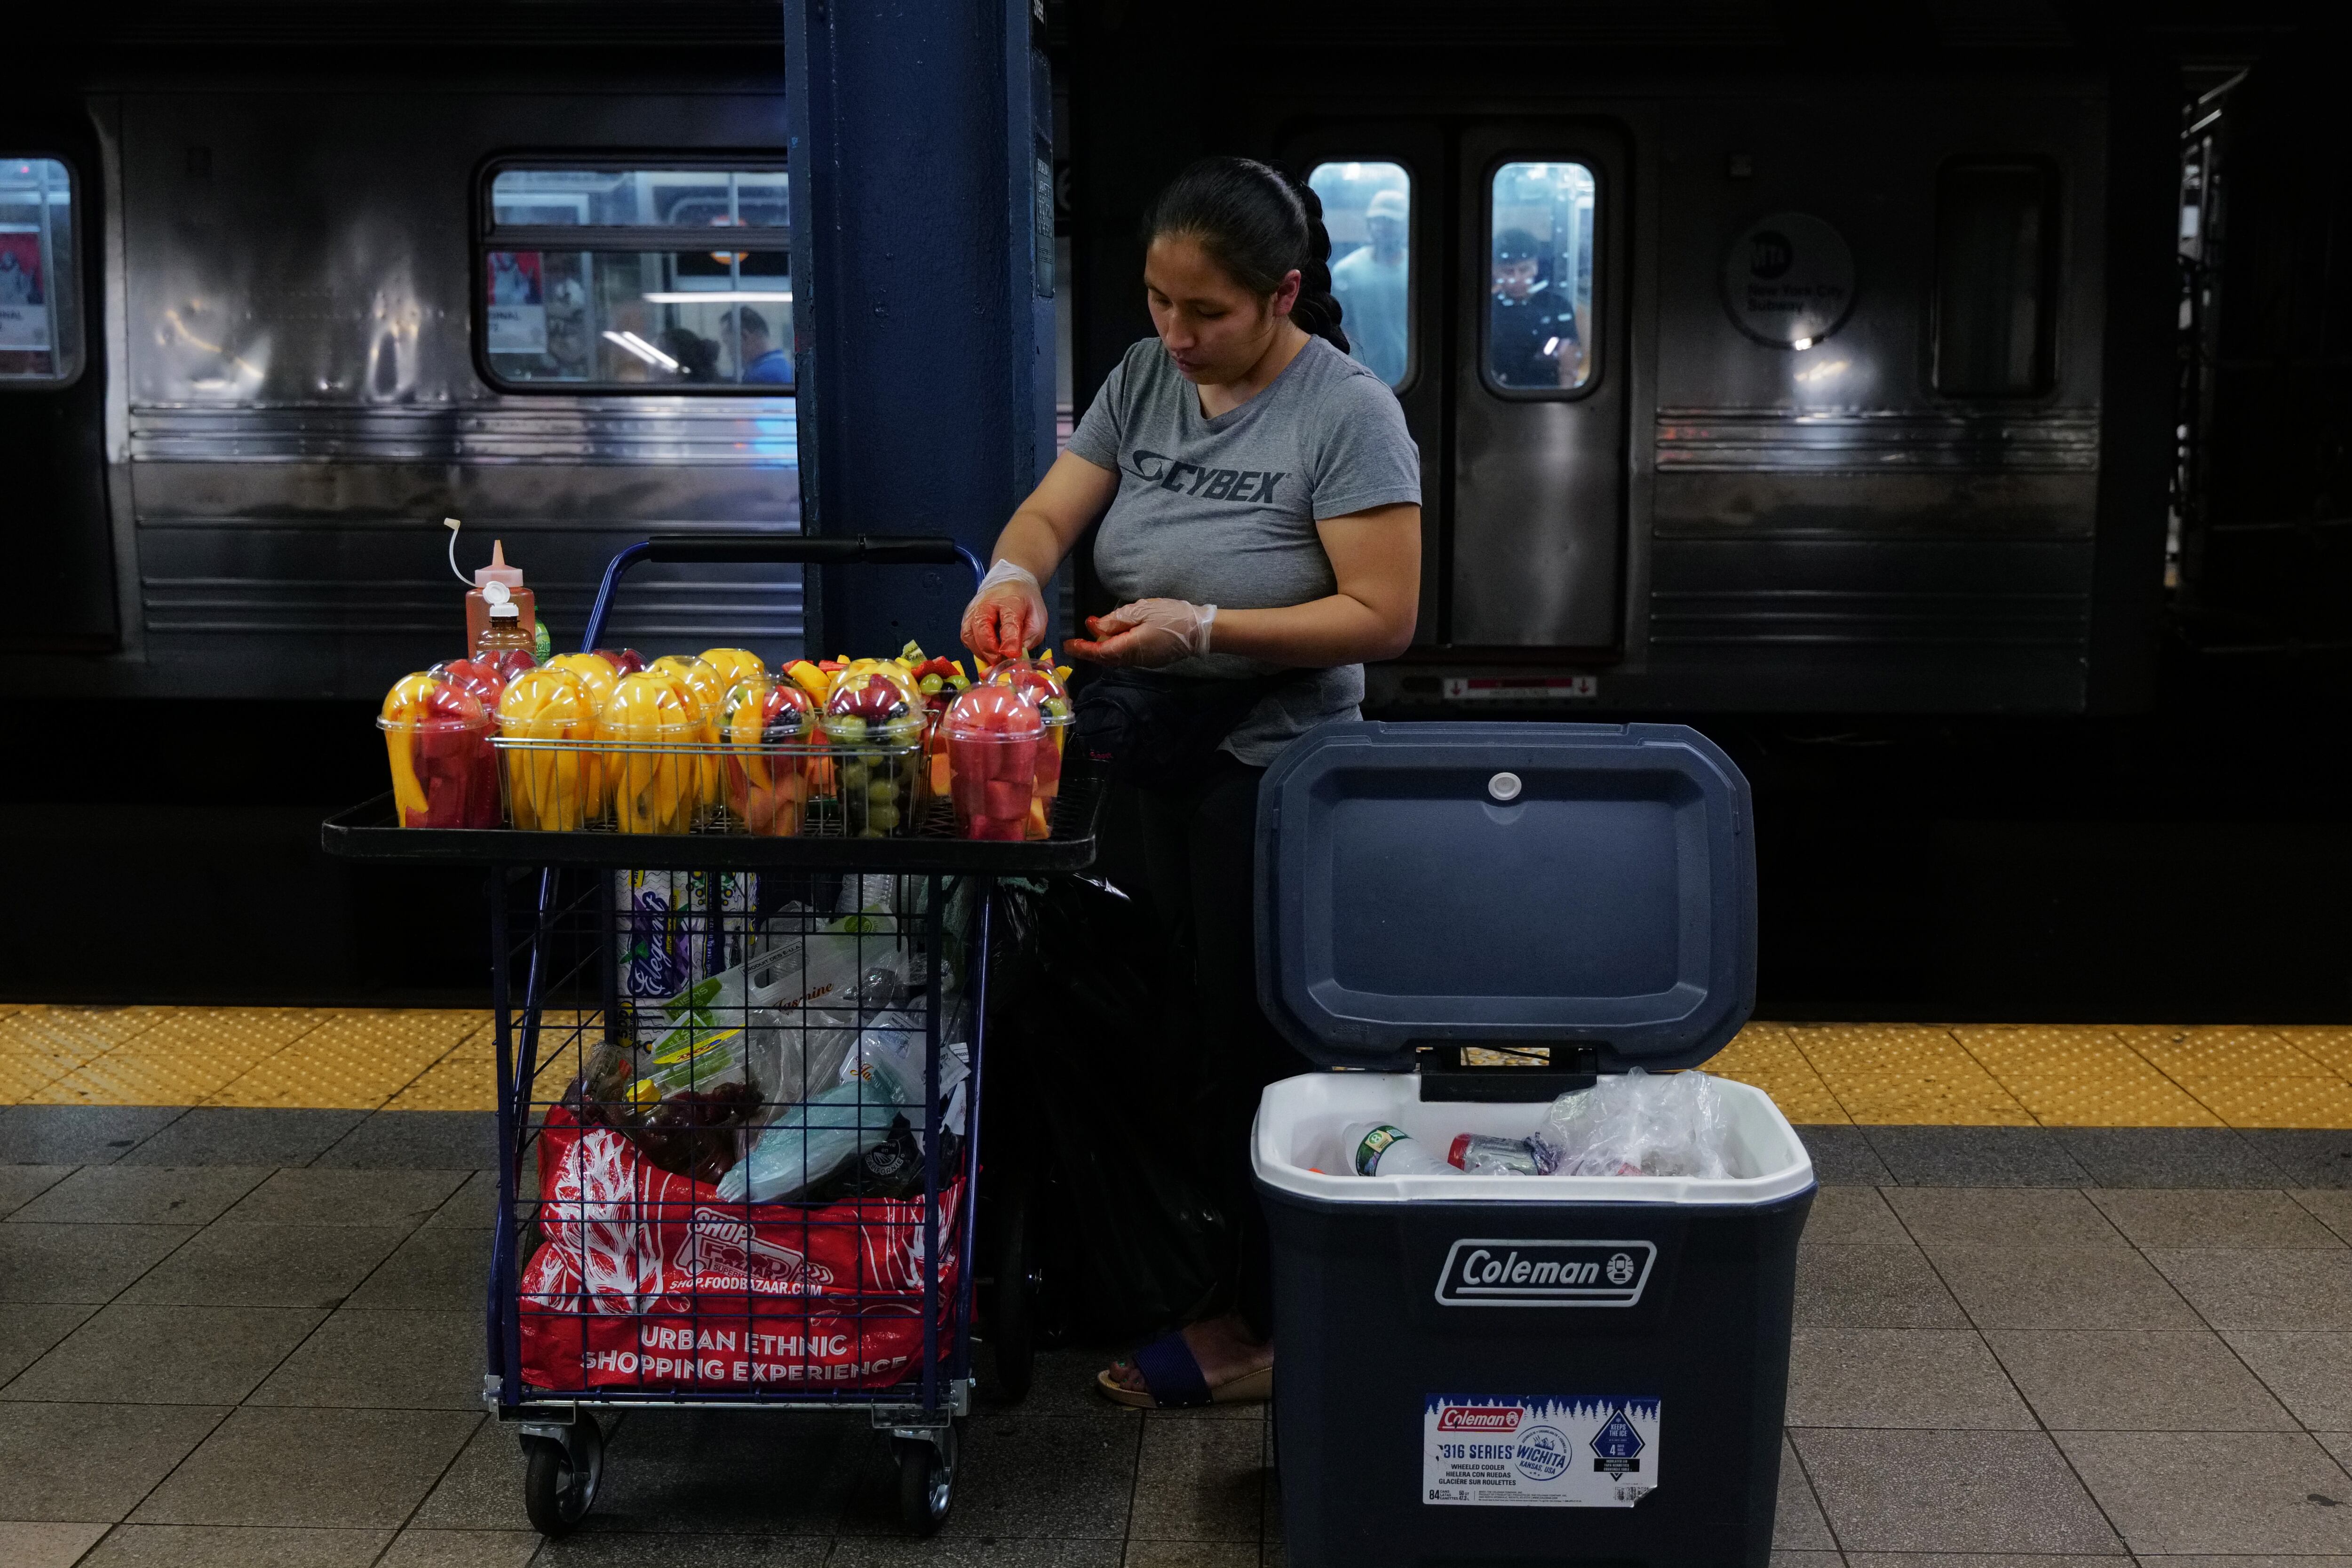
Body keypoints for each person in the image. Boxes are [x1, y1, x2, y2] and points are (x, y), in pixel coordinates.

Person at [961, 156, 1421, 1409]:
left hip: (1273, 774)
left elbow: (1382, 617)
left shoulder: (1349, 412)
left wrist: (1204, 626)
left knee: (1248, 1043)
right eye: (1159, 301)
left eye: (1204, 311)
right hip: (1151, 751)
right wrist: (1011, 575)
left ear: (1281, 296)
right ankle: (1172, 1271)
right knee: (1152, 1025)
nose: (1176, 331)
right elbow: (1050, 519)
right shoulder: (1144, 377)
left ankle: (1266, 1323)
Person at [1328, 187, 1407, 386]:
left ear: (1405, 226)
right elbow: (1339, 328)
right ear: (1369, 223)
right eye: (1377, 220)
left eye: (1391, 221)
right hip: (1360, 376)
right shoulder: (1347, 271)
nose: (1382, 227)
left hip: (1411, 370)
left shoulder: (1416, 269)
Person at [1486, 226, 1582, 389]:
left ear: (1536, 267)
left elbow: (1568, 366)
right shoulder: (1487, 309)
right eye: (1508, 272)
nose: (1516, 278)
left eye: (1524, 270)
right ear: (1495, 271)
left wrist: (1564, 400)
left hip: (1546, 395)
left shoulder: (1558, 307)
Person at [723, 306, 794, 386]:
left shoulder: (762, 376)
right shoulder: (780, 364)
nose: (728, 352)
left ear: (744, 336)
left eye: (729, 344)